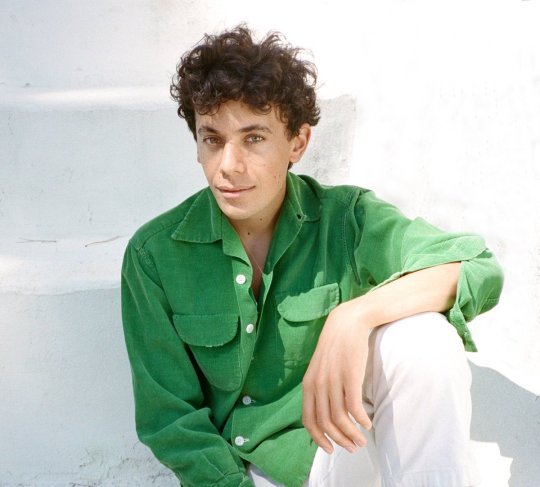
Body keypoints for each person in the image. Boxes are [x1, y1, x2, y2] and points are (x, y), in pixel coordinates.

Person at [121, 24, 503, 487]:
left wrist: (355, 315)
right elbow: (170, 421)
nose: (228, 166)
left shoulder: (347, 220)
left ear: (297, 143)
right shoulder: (155, 255)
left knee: (424, 338)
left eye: (254, 138)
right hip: (245, 473)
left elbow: (475, 267)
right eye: (213, 139)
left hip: (337, 453)